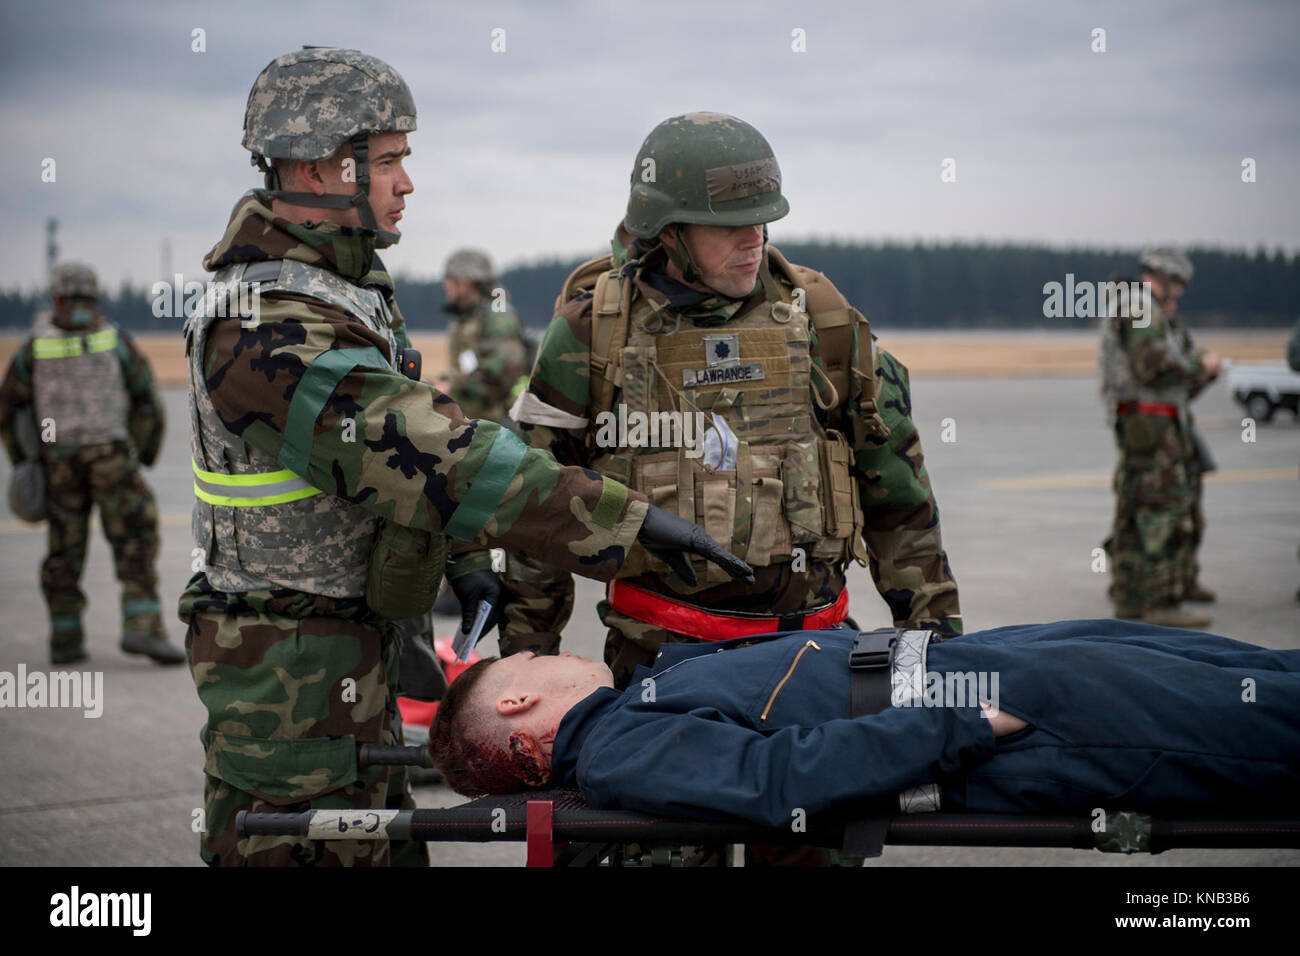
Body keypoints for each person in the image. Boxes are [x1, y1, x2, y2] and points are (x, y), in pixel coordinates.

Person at [181, 48, 751, 867]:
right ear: (317, 166)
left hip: (345, 663)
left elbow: (400, 465)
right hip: (286, 690)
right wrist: (626, 522)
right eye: (387, 163)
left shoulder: (344, 293)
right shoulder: (265, 322)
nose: (406, 183)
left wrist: (462, 559)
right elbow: (427, 451)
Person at [500, 112, 961, 686]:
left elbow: (901, 502)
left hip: (816, 657)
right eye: (730, 227)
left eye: (763, 222)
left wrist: (934, 660)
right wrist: (525, 669)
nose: (755, 241)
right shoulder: (591, 334)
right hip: (661, 670)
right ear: (668, 232)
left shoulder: (823, 320)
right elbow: (536, 515)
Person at [428, 620, 1300, 827]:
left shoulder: (636, 703)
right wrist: (964, 724)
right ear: (516, 704)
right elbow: (783, 781)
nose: (545, 654)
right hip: (1014, 716)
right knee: (1257, 725)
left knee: (1255, 675)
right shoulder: (620, 748)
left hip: (999, 666)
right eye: (525, 664)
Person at [0, 262, 183, 666]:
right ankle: (143, 628)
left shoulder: (34, 346)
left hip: (58, 461)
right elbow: (147, 402)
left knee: (64, 551)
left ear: (57, 300)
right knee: (136, 536)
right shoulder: (114, 340)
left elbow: (9, 409)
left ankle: (64, 637)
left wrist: (28, 461)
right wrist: (142, 451)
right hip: (111, 456)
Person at [1099, 248, 1221, 627]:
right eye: (1176, 286)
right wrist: (1200, 366)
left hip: (1148, 422)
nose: (1178, 295)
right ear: (1162, 278)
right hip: (1151, 424)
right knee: (1162, 508)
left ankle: (1132, 598)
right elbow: (1153, 366)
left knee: (1137, 506)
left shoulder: (1136, 306)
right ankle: (1160, 602)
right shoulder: (1137, 306)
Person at [438, 248, 530, 426]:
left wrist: (452, 388)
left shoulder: (499, 318)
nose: (446, 286)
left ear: (466, 282)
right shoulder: (469, 320)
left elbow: (500, 378)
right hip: (478, 423)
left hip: (500, 426)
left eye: (450, 279)